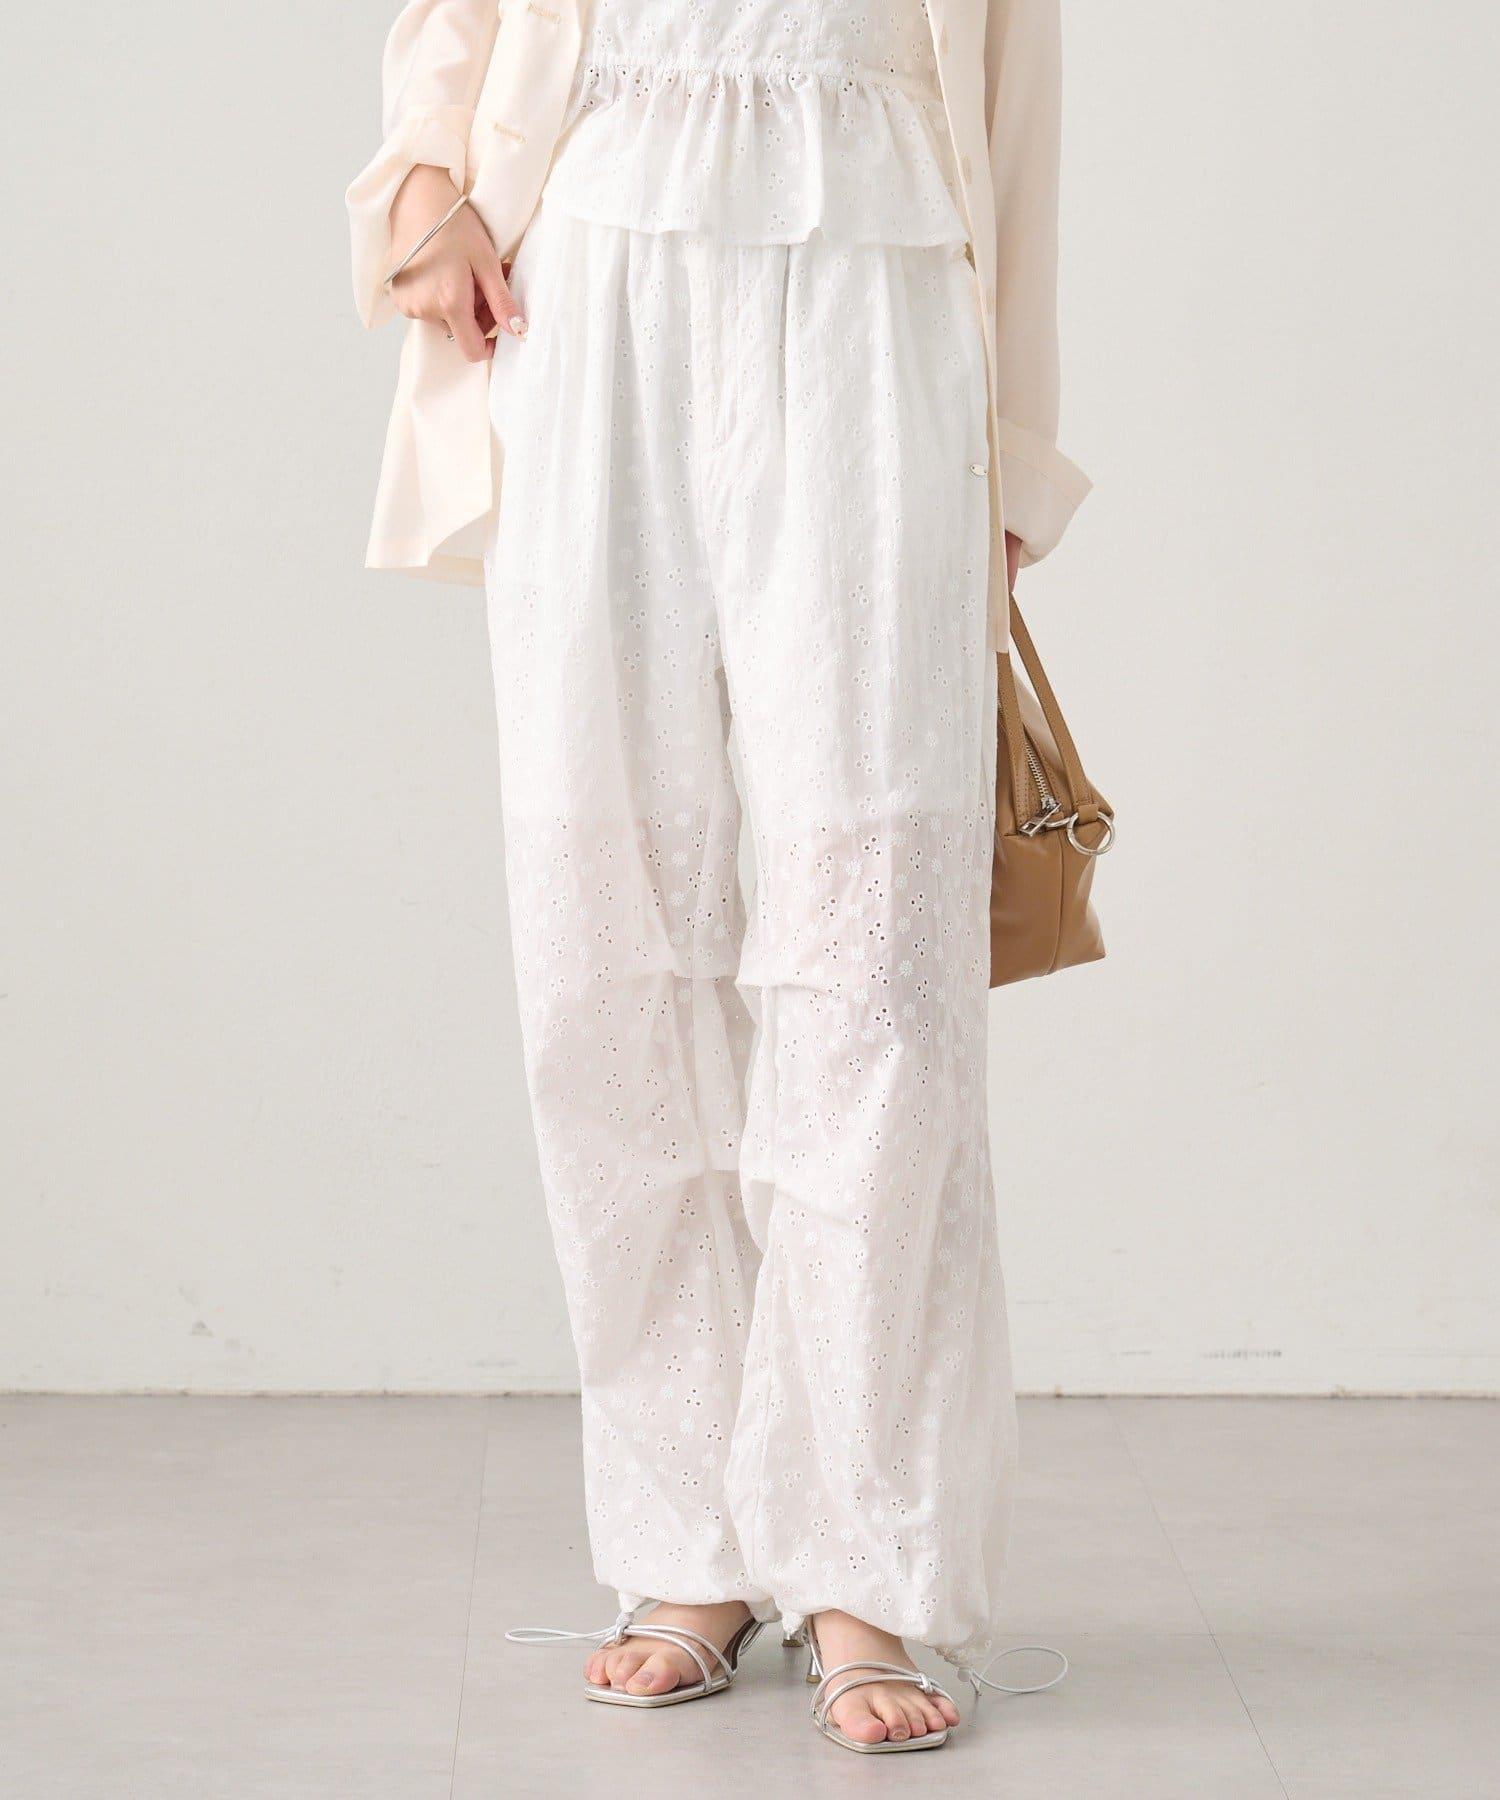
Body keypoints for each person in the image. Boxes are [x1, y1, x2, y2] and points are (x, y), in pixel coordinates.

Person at [349, 0, 1087, 1755]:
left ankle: (864, 1563)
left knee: (876, 956)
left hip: (880, 269)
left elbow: (1020, 92)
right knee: (606, 936)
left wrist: (1012, 439)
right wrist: (423, 186)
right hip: (595, 266)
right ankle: (687, 1539)